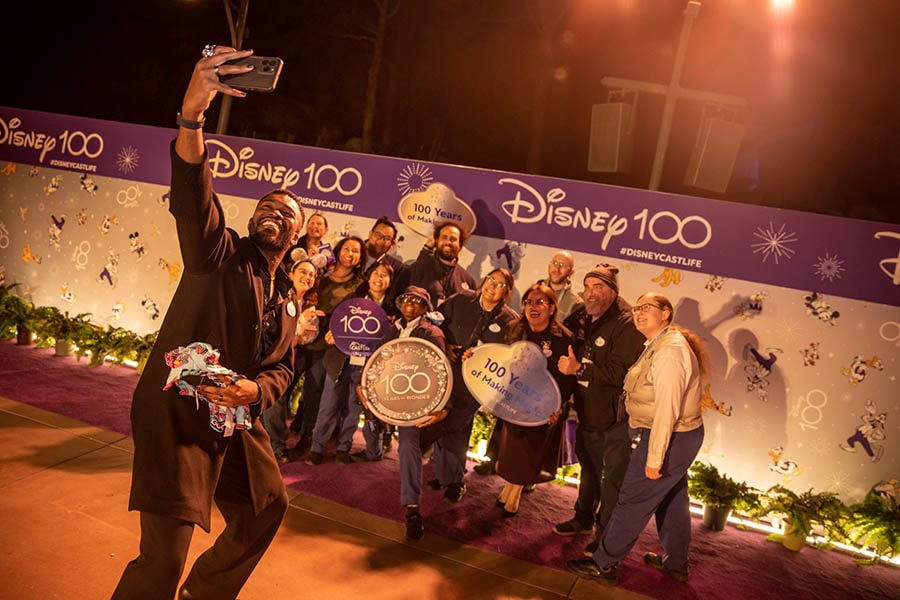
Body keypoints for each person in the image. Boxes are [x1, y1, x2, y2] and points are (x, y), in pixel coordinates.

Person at [111, 46, 305, 600]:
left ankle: (206, 592)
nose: (276, 213)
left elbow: (282, 370)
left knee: (267, 506)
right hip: (179, 414)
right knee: (163, 559)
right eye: (269, 205)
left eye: (288, 214)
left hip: (236, 416)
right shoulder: (219, 254)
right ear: (253, 219)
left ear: (297, 235)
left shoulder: (288, 296)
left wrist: (254, 390)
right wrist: (192, 116)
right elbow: (194, 195)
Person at [566, 292, 708, 586]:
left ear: (666, 314)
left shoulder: (670, 352)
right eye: (638, 308)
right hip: (674, 436)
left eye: (649, 308)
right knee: (673, 498)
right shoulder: (658, 344)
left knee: (631, 500)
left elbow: (666, 410)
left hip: (666, 437)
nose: (640, 313)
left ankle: (604, 564)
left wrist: (655, 458)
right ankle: (676, 564)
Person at [554, 263, 645, 556]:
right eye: (588, 286)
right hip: (586, 411)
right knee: (590, 470)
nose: (591, 293)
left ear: (613, 292)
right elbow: (562, 337)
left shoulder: (627, 322)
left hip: (616, 418)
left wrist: (580, 369)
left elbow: (620, 373)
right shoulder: (582, 313)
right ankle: (583, 517)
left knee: (612, 481)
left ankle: (605, 538)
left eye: (598, 288)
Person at [357, 285, 448, 541]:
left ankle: (412, 509)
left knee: (408, 447)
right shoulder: (392, 329)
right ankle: (373, 451)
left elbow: (441, 371)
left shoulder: (432, 333)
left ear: (425, 307)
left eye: (417, 300)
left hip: (414, 401)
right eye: (406, 298)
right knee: (371, 427)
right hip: (388, 396)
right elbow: (376, 360)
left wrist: (440, 408)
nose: (410, 303)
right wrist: (362, 384)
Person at [430, 267, 518, 503]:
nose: (493, 286)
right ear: (483, 281)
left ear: (507, 292)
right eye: (491, 280)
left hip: (476, 384)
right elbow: (434, 321)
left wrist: (482, 356)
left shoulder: (509, 320)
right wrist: (446, 345)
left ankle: (455, 481)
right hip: (447, 373)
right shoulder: (461, 300)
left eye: (500, 284)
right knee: (441, 421)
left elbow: (511, 357)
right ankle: (442, 474)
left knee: (457, 426)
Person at [492, 283, 577, 516]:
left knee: (527, 452)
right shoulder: (513, 329)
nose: (533, 307)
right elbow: (497, 358)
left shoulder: (563, 337)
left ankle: (515, 494)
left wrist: (557, 406)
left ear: (552, 308)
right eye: (529, 302)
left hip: (542, 406)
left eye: (540, 302)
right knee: (510, 449)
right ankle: (509, 487)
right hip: (512, 400)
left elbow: (568, 378)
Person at [305, 261, 398, 465]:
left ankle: (343, 447)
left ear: (390, 281)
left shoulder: (392, 311)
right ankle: (317, 448)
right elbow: (336, 322)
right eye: (375, 273)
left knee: (353, 408)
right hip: (340, 361)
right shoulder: (353, 300)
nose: (378, 278)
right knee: (328, 406)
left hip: (367, 367)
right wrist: (332, 334)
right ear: (368, 276)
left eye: (384, 275)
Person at [289, 235, 365, 457]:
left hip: (328, 346)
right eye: (347, 249)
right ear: (338, 251)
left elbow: (354, 316)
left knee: (314, 392)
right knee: (286, 384)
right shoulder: (320, 275)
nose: (350, 254)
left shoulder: (359, 286)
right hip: (302, 339)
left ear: (360, 259)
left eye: (356, 251)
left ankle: (306, 437)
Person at [260, 255, 323, 463]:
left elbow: (302, 340)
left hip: (290, 358)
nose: (307, 277)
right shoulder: (276, 296)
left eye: (312, 275)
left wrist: (298, 329)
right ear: (292, 274)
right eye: (303, 272)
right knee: (273, 401)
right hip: (267, 356)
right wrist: (296, 327)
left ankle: (275, 446)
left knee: (278, 401)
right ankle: (270, 445)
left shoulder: (310, 306)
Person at [400, 220, 476, 306]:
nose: (448, 242)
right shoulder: (416, 269)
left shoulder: (468, 280)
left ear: (460, 245)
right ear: (436, 241)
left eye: (453, 239)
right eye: (444, 237)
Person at [541, 251, 584, 320]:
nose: (557, 269)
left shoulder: (575, 303)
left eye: (562, 265)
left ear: (571, 272)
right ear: (549, 266)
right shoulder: (536, 289)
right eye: (555, 263)